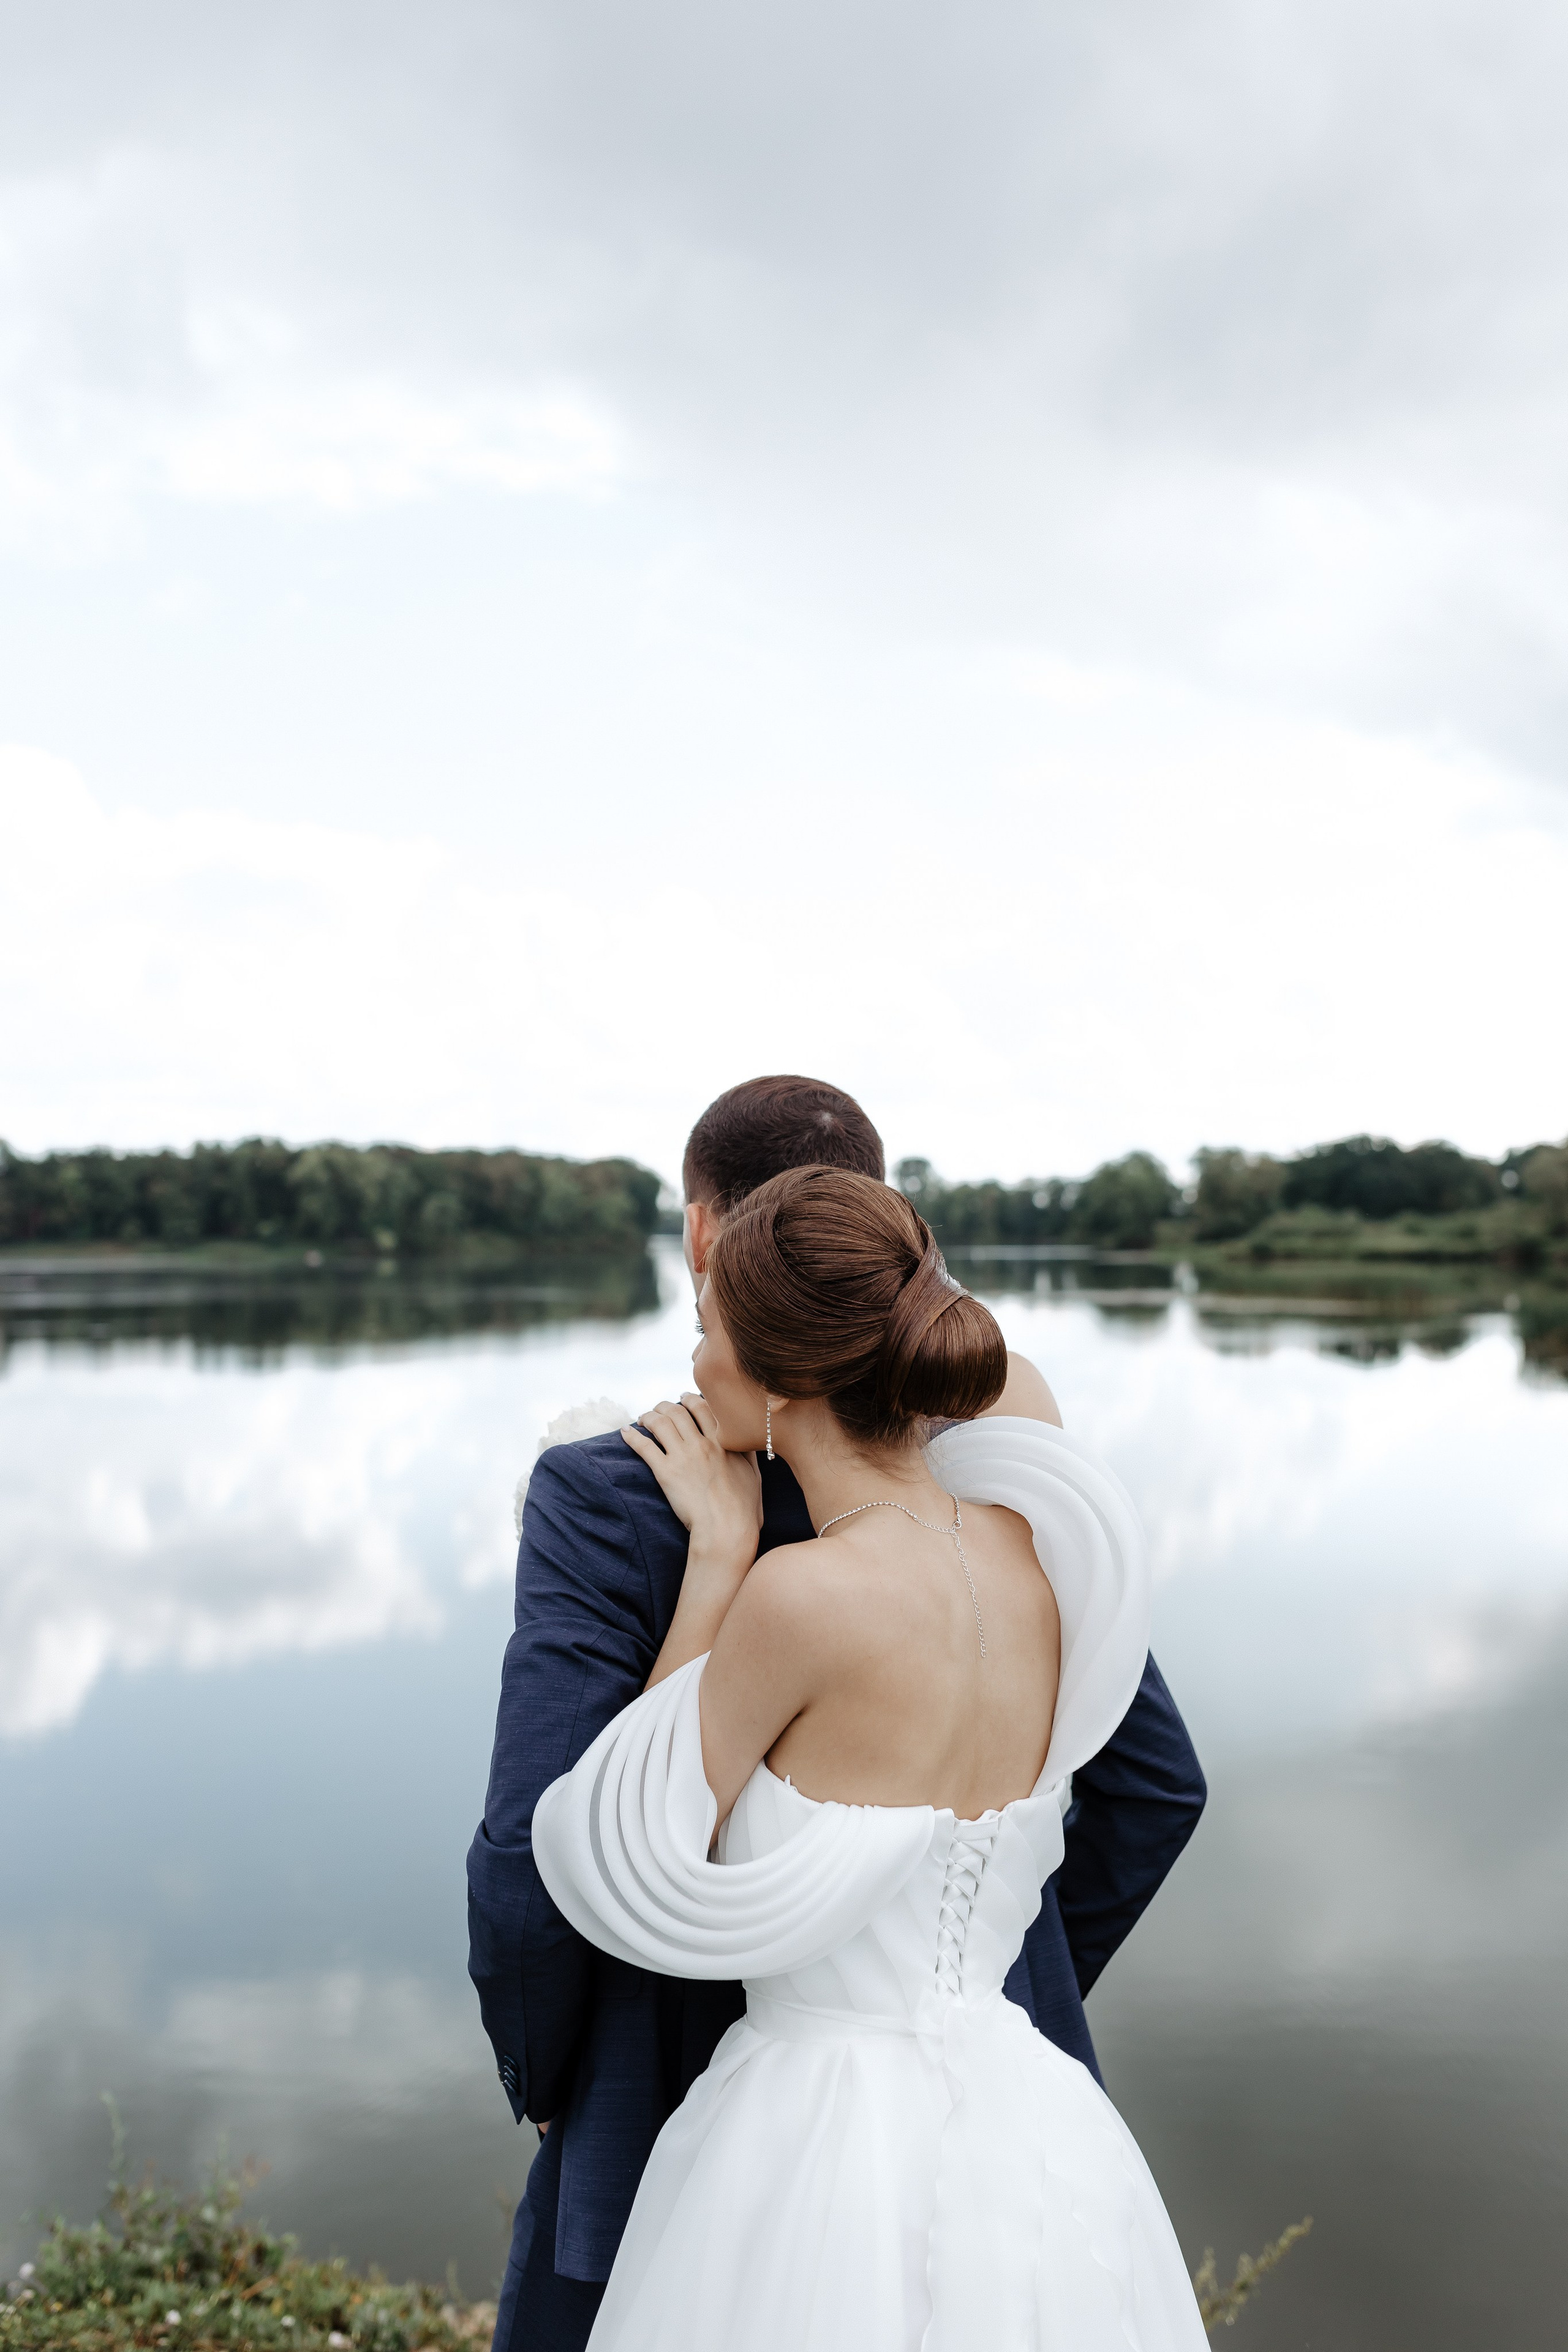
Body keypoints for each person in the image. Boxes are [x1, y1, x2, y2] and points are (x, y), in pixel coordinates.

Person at [467, 1077, 1205, 2352]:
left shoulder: (629, 1506)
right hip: (1020, 2125)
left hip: (734, 2143)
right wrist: (966, 1995)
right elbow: (1150, 1785)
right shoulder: (1026, 1534)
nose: (695, 1358)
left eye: (709, 1322)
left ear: (707, 1249)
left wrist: (551, 2078)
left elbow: (550, 1859)